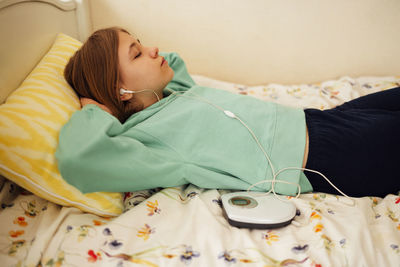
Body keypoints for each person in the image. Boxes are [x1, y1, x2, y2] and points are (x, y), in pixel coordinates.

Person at [56, 27, 399, 198]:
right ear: (120, 89)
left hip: (318, 120)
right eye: (137, 54)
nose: (154, 49)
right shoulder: (148, 141)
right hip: (325, 157)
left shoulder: (173, 94)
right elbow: (79, 161)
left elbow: (174, 63)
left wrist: (141, 77)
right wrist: (93, 108)